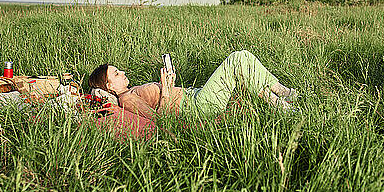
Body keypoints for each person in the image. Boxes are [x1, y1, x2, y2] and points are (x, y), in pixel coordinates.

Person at [88, 50, 297, 124]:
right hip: (196, 106)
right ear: (109, 86)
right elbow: (159, 119)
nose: (122, 72)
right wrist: (167, 86)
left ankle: (281, 103)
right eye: (116, 74)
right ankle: (284, 94)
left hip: (195, 96)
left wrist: (168, 84)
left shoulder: (132, 92)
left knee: (244, 70)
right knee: (238, 58)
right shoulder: (126, 99)